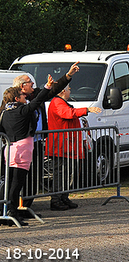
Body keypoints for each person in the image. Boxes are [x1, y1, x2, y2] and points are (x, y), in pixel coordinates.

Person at [12, 63, 80, 213]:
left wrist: (68, 75)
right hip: (21, 143)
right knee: (19, 177)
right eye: (30, 82)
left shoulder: (35, 94)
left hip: (36, 142)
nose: (33, 84)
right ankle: (15, 207)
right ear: (22, 86)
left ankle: (27, 206)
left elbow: (53, 90)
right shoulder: (15, 99)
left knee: (34, 176)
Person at [0, 75, 54, 226]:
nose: (26, 97)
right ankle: (12, 212)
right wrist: (47, 87)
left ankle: (8, 211)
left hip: (9, 149)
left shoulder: (4, 112)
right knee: (17, 183)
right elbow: (37, 101)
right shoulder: (22, 111)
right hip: (22, 150)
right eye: (23, 95)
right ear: (17, 98)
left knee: (10, 182)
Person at [46, 85, 102, 210]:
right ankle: (56, 200)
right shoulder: (57, 103)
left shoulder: (61, 102)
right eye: (69, 88)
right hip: (61, 145)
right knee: (60, 173)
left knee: (67, 173)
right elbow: (68, 114)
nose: (70, 90)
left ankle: (63, 198)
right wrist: (87, 110)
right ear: (62, 91)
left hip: (67, 144)